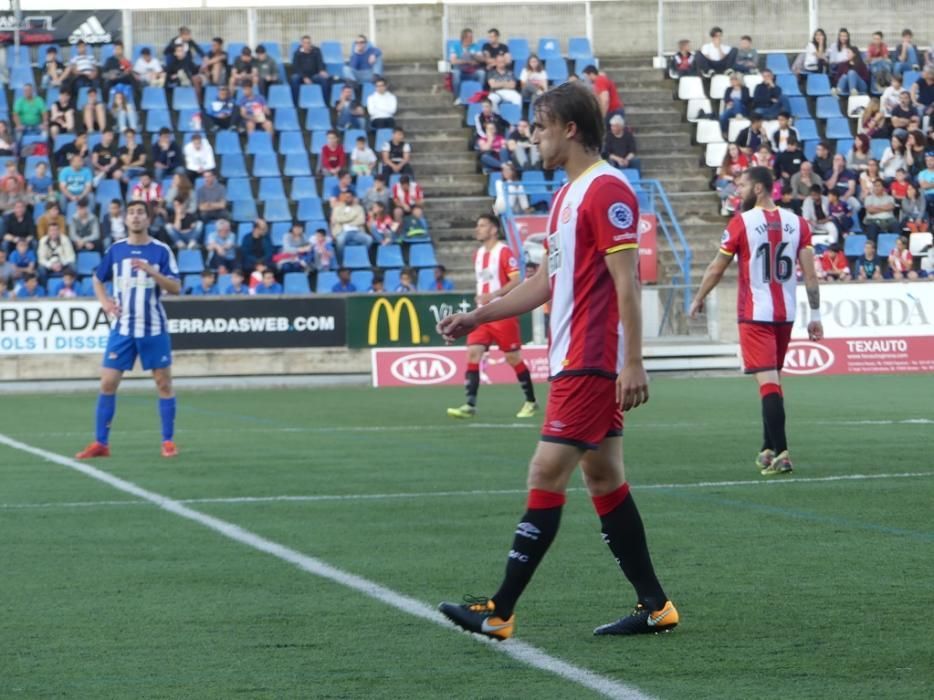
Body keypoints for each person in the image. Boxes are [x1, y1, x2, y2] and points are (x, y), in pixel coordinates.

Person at [437, 82, 676, 641]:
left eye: (540, 127)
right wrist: (478, 315)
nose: (533, 138)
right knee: (603, 476)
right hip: (572, 356)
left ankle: (498, 610)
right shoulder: (567, 198)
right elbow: (545, 283)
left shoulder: (607, 190)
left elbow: (627, 282)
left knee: (546, 470)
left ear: (570, 129)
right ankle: (656, 605)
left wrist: (634, 360)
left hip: (592, 360)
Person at [689, 166, 822, 475]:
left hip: (754, 315)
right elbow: (811, 275)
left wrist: (698, 298)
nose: (738, 191)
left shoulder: (741, 223)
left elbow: (716, 268)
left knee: (767, 385)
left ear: (760, 188)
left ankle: (783, 452)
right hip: (785, 315)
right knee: (772, 381)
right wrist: (815, 316)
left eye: (743, 185)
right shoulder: (798, 223)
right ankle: (768, 447)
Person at [75, 201, 181, 460]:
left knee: (163, 383)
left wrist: (151, 271)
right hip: (122, 328)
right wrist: (105, 303)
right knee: (108, 382)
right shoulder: (116, 250)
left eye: (140, 213)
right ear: (125, 219)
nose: (135, 217)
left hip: (153, 327)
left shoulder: (161, 250)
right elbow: (98, 278)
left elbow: (175, 287)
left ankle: (168, 441)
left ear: (148, 219)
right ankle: (101, 443)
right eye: (131, 213)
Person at [446, 212, 537, 419]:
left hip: (501, 312)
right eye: (477, 225)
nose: (478, 229)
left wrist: (493, 295)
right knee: (473, 353)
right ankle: (470, 404)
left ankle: (531, 401)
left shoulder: (504, 252)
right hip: (481, 315)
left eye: (482, 225)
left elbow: (516, 280)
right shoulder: (478, 254)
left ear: (494, 229)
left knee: (512, 358)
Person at [290, 35, 330, 102]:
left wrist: (321, 70)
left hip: (314, 75)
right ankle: (296, 103)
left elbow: (320, 62)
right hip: (302, 76)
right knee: (294, 78)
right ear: (301, 44)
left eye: (308, 43)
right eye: (305, 43)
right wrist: (304, 77)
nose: (307, 45)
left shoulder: (316, 51)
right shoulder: (297, 53)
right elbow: (296, 68)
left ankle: (325, 102)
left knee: (323, 79)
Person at [449, 28, 486, 100]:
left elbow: (482, 59)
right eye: (470, 37)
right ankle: (457, 97)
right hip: (460, 71)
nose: (472, 39)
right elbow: (453, 61)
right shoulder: (455, 46)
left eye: (472, 37)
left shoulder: (475, 46)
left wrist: (473, 56)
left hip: (472, 71)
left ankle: (479, 96)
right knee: (456, 73)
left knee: (482, 73)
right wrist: (467, 61)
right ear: (464, 38)